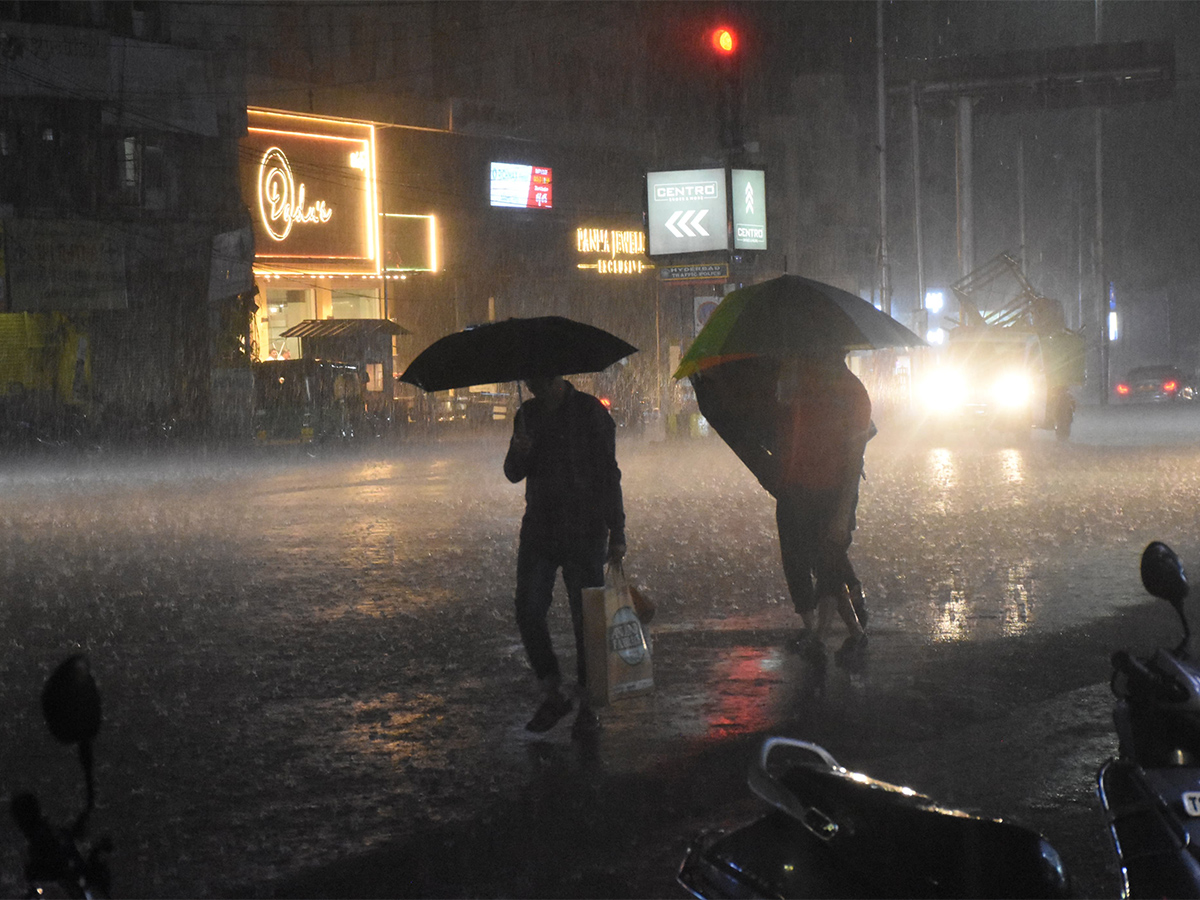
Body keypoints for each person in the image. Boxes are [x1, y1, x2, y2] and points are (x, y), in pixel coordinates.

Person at [503, 374, 626, 736]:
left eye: (537, 378)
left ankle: (588, 702)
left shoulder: (590, 413)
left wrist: (616, 531)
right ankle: (551, 688)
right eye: (528, 379)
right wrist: (518, 452)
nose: (531, 385)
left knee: (586, 620)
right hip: (540, 529)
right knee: (528, 609)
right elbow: (513, 473)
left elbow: (608, 473)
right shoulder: (526, 414)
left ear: (557, 376)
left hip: (585, 531)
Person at [772, 352, 873, 667]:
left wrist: (843, 512)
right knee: (803, 560)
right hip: (797, 488)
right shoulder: (806, 383)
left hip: (833, 491)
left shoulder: (853, 392)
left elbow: (855, 455)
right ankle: (852, 632)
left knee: (828, 566)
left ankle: (820, 636)